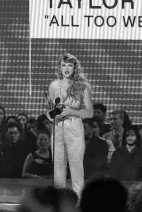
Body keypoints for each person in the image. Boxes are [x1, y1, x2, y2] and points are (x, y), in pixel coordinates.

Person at [48, 53, 93, 198]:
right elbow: (49, 109)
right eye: (63, 65)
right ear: (59, 68)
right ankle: (59, 202)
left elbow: (90, 113)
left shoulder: (82, 86)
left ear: (75, 67)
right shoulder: (53, 85)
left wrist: (70, 111)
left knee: (76, 165)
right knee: (58, 168)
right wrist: (52, 114)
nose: (66, 68)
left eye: (70, 65)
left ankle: (79, 201)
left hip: (74, 126)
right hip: (58, 127)